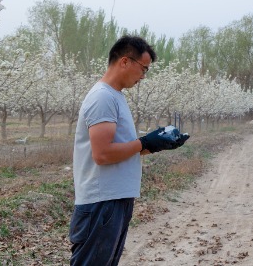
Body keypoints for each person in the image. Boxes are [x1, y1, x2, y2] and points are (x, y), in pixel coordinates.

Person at [68, 35, 186, 266]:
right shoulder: (102, 97)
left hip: (114, 199)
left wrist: (156, 145)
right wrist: (144, 142)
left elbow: (123, 149)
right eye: (143, 69)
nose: (143, 76)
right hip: (101, 202)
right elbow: (103, 154)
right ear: (124, 61)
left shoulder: (115, 96)